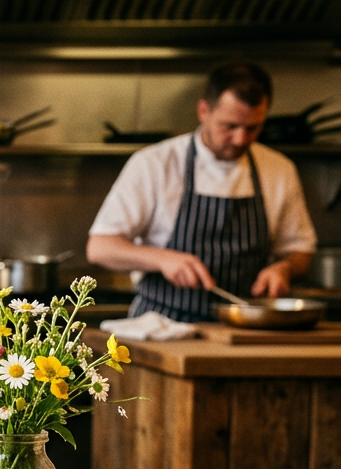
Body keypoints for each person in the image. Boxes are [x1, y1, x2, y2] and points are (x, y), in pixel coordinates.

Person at [87, 62, 317, 322]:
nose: (241, 139)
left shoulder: (279, 169)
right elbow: (100, 247)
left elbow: (300, 251)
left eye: (253, 128)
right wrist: (162, 259)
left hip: (245, 327)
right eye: (229, 126)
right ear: (204, 111)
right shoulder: (155, 163)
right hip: (162, 327)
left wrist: (284, 268)